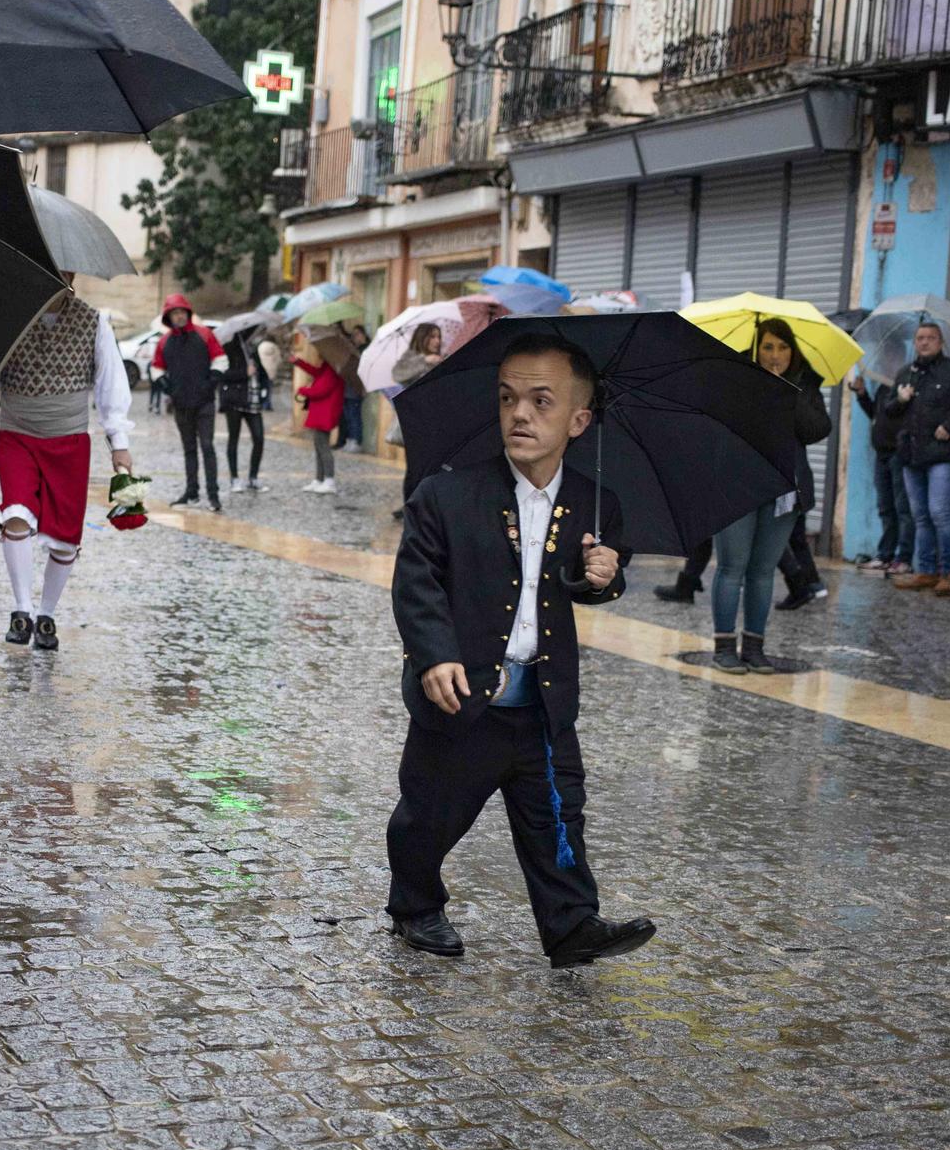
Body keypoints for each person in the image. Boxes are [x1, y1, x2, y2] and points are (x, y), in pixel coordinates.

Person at [387, 332, 656, 968]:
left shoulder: (597, 504)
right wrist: (434, 654)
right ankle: (415, 906)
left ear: (579, 419)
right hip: (462, 692)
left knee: (558, 815)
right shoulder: (446, 495)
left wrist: (604, 575)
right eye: (508, 398)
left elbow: (591, 587)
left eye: (541, 401)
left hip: (544, 695)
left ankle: (572, 925)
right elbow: (416, 579)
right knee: (430, 814)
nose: (520, 414)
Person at [0, 269, 134, 650]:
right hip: (17, 435)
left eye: (64, 272)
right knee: (17, 514)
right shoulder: (9, 317)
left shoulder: (94, 320)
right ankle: (21, 609)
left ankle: (46, 615)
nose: (58, 278)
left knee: (64, 540)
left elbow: (110, 382)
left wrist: (118, 440)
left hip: (68, 442)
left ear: (73, 275)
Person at [709, 320, 830, 673]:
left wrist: (787, 394)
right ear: (756, 349)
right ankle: (724, 647)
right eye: (767, 347)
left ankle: (755, 647)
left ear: (792, 351)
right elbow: (721, 425)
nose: (774, 355)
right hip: (737, 485)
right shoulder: (737, 378)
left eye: (781, 347)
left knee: (762, 571)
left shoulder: (805, 382)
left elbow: (817, 430)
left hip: (783, 490)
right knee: (732, 566)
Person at [876, 322, 950, 594]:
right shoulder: (906, 374)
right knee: (920, 516)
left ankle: (947, 572)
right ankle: (925, 571)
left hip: (941, 455)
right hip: (910, 455)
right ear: (915, 344)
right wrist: (900, 399)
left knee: (939, 513)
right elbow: (887, 411)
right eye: (920, 338)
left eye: (930, 338)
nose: (924, 343)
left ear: (940, 343)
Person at [152, 292, 224, 512]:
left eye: (182, 312)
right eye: (175, 313)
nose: (179, 316)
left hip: (204, 403)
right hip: (181, 404)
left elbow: (220, 359)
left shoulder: (204, 335)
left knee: (207, 446)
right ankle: (191, 491)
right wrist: (167, 386)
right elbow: (156, 367)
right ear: (169, 317)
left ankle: (213, 494)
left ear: (188, 313)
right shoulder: (164, 342)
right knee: (189, 449)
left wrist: (210, 383)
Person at [850, 370, 916, 575]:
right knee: (885, 507)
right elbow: (876, 414)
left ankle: (904, 558)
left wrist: (901, 400)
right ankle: (885, 555)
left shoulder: (907, 385)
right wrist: (861, 394)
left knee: (902, 509)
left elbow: (901, 415)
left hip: (899, 453)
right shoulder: (883, 386)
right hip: (882, 454)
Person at [220, 325, 271, 494]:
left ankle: (253, 477)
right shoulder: (229, 348)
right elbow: (223, 374)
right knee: (233, 438)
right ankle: (234, 478)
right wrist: (244, 372)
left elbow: (261, 371)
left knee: (259, 438)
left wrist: (265, 387)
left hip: (253, 401)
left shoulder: (251, 350)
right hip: (235, 400)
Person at [294, 339, 343, 494]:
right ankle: (319, 479)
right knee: (319, 446)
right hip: (321, 412)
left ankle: (329, 480)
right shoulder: (328, 366)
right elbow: (317, 373)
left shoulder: (335, 369)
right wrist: (299, 362)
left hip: (325, 414)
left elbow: (321, 390)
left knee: (323, 447)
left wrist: (303, 390)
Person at [336, 323, 370, 450]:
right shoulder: (354, 350)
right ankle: (350, 439)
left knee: (354, 416)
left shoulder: (365, 350)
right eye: (353, 335)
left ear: (362, 335)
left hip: (357, 388)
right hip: (348, 387)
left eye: (356, 334)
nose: (355, 337)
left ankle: (356, 440)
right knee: (349, 416)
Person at [391, 322, 444, 389]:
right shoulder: (410, 356)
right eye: (432, 337)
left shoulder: (441, 357)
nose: (437, 341)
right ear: (422, 337)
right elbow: (397, 375)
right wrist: (424, 360)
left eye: (439, 337)